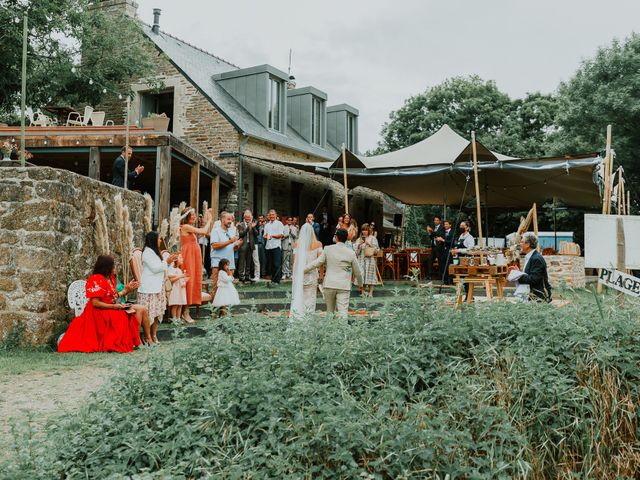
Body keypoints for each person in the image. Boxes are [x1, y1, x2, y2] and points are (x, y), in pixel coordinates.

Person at [58, 255, 143, 353]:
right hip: (96, 312)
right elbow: (95, 303)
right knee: (121, 316)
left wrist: (126, 290)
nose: (115, 268)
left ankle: (135, 342)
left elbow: (112, 297)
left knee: (128, 313)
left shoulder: (110, 279)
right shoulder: (95, 279)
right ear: (107, 267)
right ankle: (121, 342)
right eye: (113, 266)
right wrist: (114, 306)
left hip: (108, 308)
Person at [304, 228, 363, 317]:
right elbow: (358, 271)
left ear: (336, 237)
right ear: (346, 238)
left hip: (329, 284)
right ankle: (343, 330)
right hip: (344, 286)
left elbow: (317, 263)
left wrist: (302, 270)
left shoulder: (328, 249)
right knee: (343, 312)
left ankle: (330, 329)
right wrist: (361, 284)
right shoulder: (351, 253)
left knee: (330, 312)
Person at [138, 232, 177, 343]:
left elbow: (161, 267)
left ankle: (154, 335)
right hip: (148, 289)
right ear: (153, 240)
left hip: (157, 287)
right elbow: (155, 268)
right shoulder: (147, 253)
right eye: (159, 239)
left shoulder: (155, 252)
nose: (160, 240)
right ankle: (147, 336)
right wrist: (167, 261)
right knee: (148, 314)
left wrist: (168, 262)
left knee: (157, 313)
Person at [180, 207, 212, 323]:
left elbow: (205, 233)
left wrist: (207, 220)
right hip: (188, 258)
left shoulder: (190, 228)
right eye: (192, 215)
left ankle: (186, 310)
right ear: (187, 216)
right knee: (189, 282)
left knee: (193, 281)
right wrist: (209, 220)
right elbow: (203, 231)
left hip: (193, 258)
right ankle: (185, 312)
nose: (194, 217)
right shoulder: (185, 227)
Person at [290, 223, 324, 318]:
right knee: (311, 298)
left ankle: (298, 317)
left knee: (299, 297)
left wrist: (294, 275)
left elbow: (294, 262)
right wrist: (321, 275)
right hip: (312, 275)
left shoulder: (297, 243)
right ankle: (308, 318)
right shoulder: (318, 244)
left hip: (300, 275)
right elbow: (321, 262)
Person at [509, 232, 552, 302]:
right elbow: (529, 275)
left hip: (538, 298)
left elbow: (533, 279)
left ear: (528, 244)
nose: (520, 244)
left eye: (522, 242)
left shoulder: (536, 259)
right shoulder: (531, 257)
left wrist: (518, 275)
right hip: (532, 296)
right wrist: (518, 272)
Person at [210, 212, 241, 298]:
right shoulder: (216, 231)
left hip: (229, 264)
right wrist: (230, 241)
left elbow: (232, 248)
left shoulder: (231, 232)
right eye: (228, 219)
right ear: (222, 219)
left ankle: (225, 311)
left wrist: (237, 245)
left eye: (231, 219)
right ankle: (215, 310)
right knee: (217, 288)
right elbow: (214, 245)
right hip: (218, 264)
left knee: (228, 289)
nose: (230, 221)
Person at [354, 223, 381, 297]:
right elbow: (355, 252)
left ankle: (370, 293)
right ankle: (362, 292)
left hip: (370, 260)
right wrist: (359, 245)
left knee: (370, 276)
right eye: (363, 230)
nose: (364, 231)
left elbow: (377, 250)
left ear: (368, 230)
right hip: (361, 260)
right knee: (361, 275)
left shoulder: (373, 238)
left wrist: (369, 244)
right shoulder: (359, 239)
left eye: (366, 230)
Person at [264, 209, 285, 284]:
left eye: (273, 215)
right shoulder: (267, 225)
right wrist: (266, 236)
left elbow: (281, 235)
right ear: (268, 216)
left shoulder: (279, 224)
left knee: (276, 264)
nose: (271, 216)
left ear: (276, 215)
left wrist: (272, 236)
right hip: (268, 246)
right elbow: (265, 235)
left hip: (276, 246)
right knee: (271, 264)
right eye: (270, 215)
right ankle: (273, 279)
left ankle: (277, 280)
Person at [237, 210, 257, 283]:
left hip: (250, 244)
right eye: (246, 217)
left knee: (249, 261)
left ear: (251, 217)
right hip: (243, 245)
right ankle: (241, 277)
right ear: (244, 217)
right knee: (242, 261)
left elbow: (256, 234)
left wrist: (253, 227)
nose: (248, 218)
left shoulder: (252, 224)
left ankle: (247, 276)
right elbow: (241, 234)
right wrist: (248, 228)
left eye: (249, 217)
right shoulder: (241, 224)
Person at [167, 254, 188, 323]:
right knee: (175, 304)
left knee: (180, 304)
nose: (182, 259)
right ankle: (174, 319)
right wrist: (180, 276)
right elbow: (171, 280)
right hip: (175, 289)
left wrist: (185, 280)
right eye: (180, 257)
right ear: (175, 260)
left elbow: (181, 279)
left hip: (180, 289)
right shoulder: (171, 269)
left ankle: (179, 318)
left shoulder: (179, 270)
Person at [427, 215, 445, 280]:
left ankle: (440, 276)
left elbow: (439, 235)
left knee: (440, 261)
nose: (435, 221)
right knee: (430, 260)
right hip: (434, 246)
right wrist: (429, 233)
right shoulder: (434, 228)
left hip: (439, 247)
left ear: (440, 221)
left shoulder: (442, 227)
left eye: (437, 220)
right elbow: (432, 237)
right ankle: (429, 275)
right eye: (435, 220)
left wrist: (432, 231)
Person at [439, 219, 456, 284]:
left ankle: (451, 280)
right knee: (443, 266)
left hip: (450, 251)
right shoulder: (443, 232)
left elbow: (451, 242)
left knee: (449, 265)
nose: (445, 225)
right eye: (444, 224)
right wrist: (439, 240)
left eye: (446, 224)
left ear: (450, 225)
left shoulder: (452, 232)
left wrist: (443, 240)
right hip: (443, 251)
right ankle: (445, 281)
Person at [254, 214, 267, 281]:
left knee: (263, 259)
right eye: (259, 218)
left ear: (263, 219)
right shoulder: (256, 226)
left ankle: (263, 273)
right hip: (256, 244)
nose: (260, 219)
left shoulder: (266, 226)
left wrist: (264, 226)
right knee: (256, 260)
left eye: (262, 218)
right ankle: (256, 274)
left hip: (263, 244)